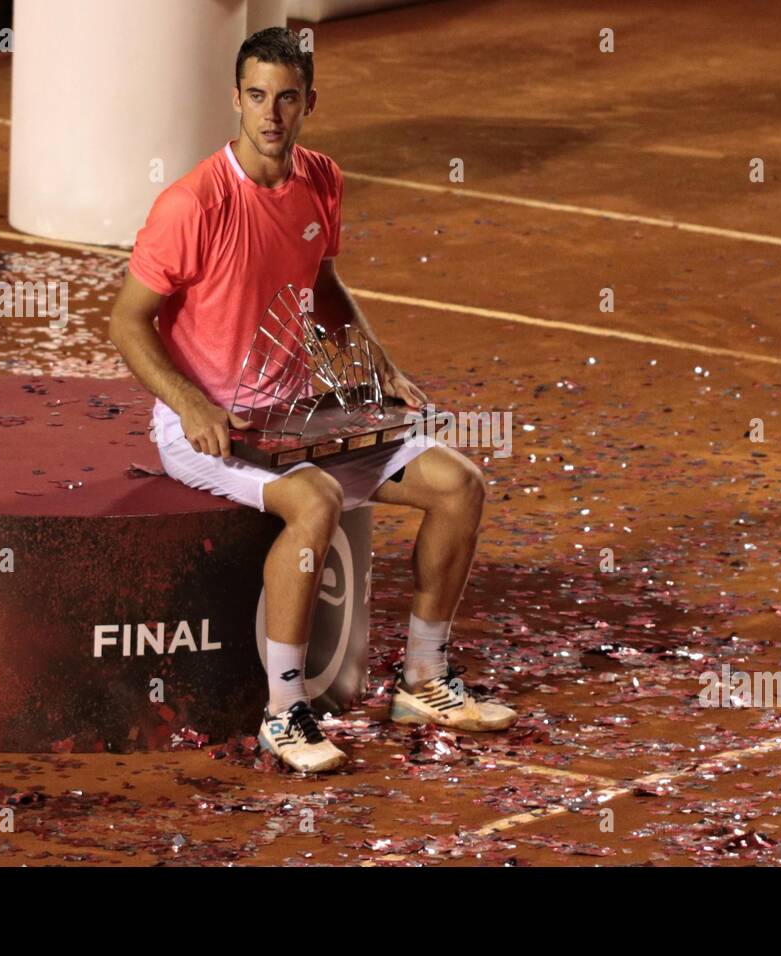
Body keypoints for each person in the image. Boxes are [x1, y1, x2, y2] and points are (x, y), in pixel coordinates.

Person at [108, 27, 515, 773]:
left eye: (286, 98)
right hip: (214, 424)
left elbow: (320, 282)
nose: (270, 114)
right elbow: (127, 321)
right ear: (236, 99)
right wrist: (192, 405)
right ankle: (284, 712)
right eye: (257, 96)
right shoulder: (193, 203)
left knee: (461, 485)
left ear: (308, 104)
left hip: (303, 413)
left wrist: (375, 360)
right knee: (317, 499)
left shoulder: (321, 179)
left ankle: (424, 678)